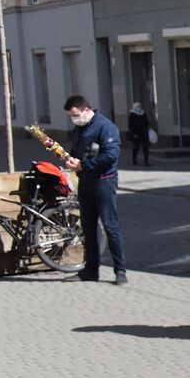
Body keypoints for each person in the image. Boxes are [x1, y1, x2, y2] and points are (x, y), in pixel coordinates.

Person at [64, 95, 127, 285]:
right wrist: (71, 160)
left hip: (104, 182)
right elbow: (76, 151)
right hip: (86, 183)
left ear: (86, 110)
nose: (74, 119)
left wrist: (83, 165)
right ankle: (90, 270)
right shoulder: (79, 128)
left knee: (110, 226)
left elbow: (110, 155)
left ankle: (120, 270)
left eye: (75, 115)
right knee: (88, 228)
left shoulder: (106, 127)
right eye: (71, 117)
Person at [127, 102, 152, 167]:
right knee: (136, 147)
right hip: (136, 134)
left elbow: (146, 121)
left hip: (144, 133)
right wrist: (133, 134)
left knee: (145, 147)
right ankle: (134, 159)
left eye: (140, 106)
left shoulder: (143, 113)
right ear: (134, 107)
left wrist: (149, 127)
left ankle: (146, 161)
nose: (139, 108)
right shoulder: (132, 114)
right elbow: (130, 126)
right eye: (137, 106)